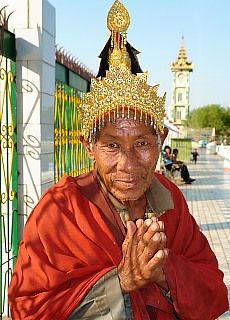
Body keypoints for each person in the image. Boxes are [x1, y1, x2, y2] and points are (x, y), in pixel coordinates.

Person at [8, 1, 229, 319]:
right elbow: (27, 308)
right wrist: (122, 281)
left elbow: (214, 289)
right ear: (88, 146)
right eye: (111, 145)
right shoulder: (59, 209)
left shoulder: (170, 199)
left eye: (142, 143)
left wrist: (163, 271)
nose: (128, 163)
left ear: (160, 142)